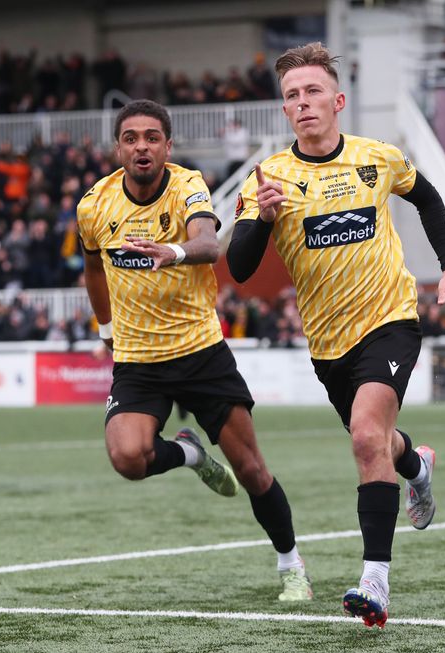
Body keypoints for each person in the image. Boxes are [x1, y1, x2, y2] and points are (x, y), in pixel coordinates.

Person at [226, 42, 445, 628]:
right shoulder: (267, 180)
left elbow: (428, 197)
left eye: (313, 91)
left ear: (337, 102)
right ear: (284, 110)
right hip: (327, 343)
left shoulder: (376, 158)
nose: (303, 102)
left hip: (390, 320)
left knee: (365, 437)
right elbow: (238, 267)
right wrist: (263, 219)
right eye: (292, 95)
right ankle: (417, 466)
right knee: (378, 442)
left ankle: (375, 582)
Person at [77, 99, 312, 602]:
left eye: (152, 138)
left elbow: (209, 244)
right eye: (131, 138)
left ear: (167, 146)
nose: (142, 147)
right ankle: (188, 453)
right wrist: (105, 329)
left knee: (251, 470)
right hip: (138, 360)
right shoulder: (94, 206)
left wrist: (174, 251)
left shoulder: (188, 186)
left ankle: (292, 565)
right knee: (127, 458)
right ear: (118, 148)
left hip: (200, 352)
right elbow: (94, 269)